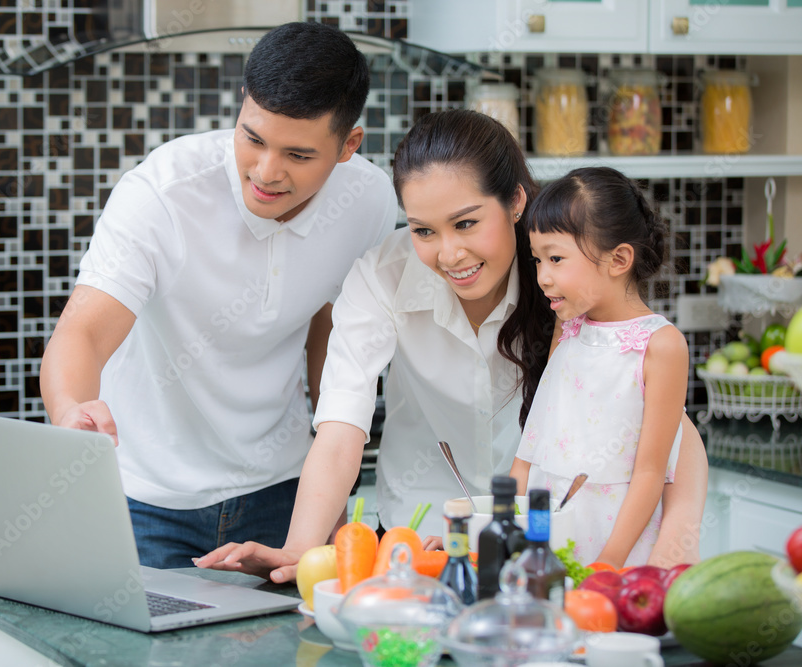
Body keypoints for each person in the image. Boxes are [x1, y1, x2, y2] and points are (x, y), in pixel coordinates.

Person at [196, 110, 707, 583]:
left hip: (550, 549)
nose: (449, 253)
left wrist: (668, 550)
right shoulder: (382, 277)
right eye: (423, 230)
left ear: (515, 201)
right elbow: (340, 428)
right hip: (415, 542)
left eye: (466, 223)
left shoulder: (564, 279)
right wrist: (301, 549)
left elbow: (654, 422)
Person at [39, 22, 398, 568]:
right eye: (252, 138)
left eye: (298, 156)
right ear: (241, 106)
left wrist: (330, 487)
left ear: (349, 144)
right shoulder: (162, 194)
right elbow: (82, 332)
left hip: (283, 490)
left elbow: (331, 332)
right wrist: (69, 412)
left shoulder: (369, 201)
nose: (266, 172)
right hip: (144, 501)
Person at [509, 167, 689, 569]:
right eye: (538, 260)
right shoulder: (568, 327)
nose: (543, 277)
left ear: (619, 259)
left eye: (556, 258)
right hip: (545, 525)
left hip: (615, 539)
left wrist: (609, 562)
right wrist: (497, 525)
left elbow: (650, 474)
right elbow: (531, 446)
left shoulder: (661, 345)